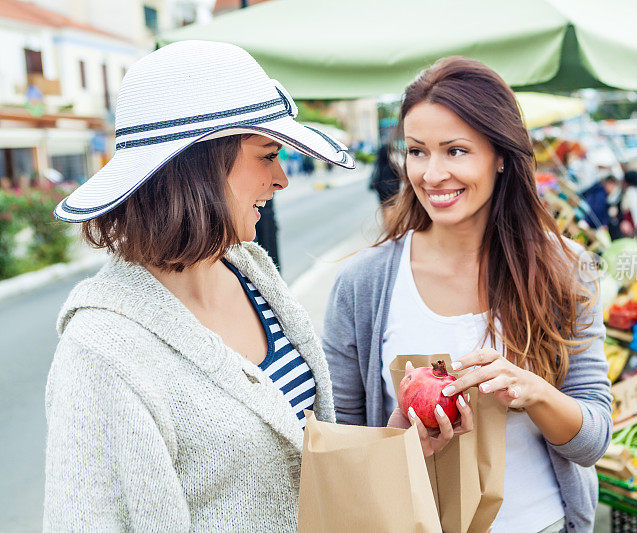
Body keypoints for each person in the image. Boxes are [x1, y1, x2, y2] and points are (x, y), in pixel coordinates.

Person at [44, 41, 470, 531]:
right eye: (267, 155)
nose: (283, 179)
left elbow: (300, 474)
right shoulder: (102, 354)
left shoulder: (251, 272)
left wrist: (398, 442)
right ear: (197, 166)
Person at [322, 57, 612, 533]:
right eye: (417, 151)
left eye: (455, 151)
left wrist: (533, 392)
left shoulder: (564, 269)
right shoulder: (364, 284)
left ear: (500, 155)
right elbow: (341, 447)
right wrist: (400, 434)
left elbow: (593, 440)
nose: (432, 175)